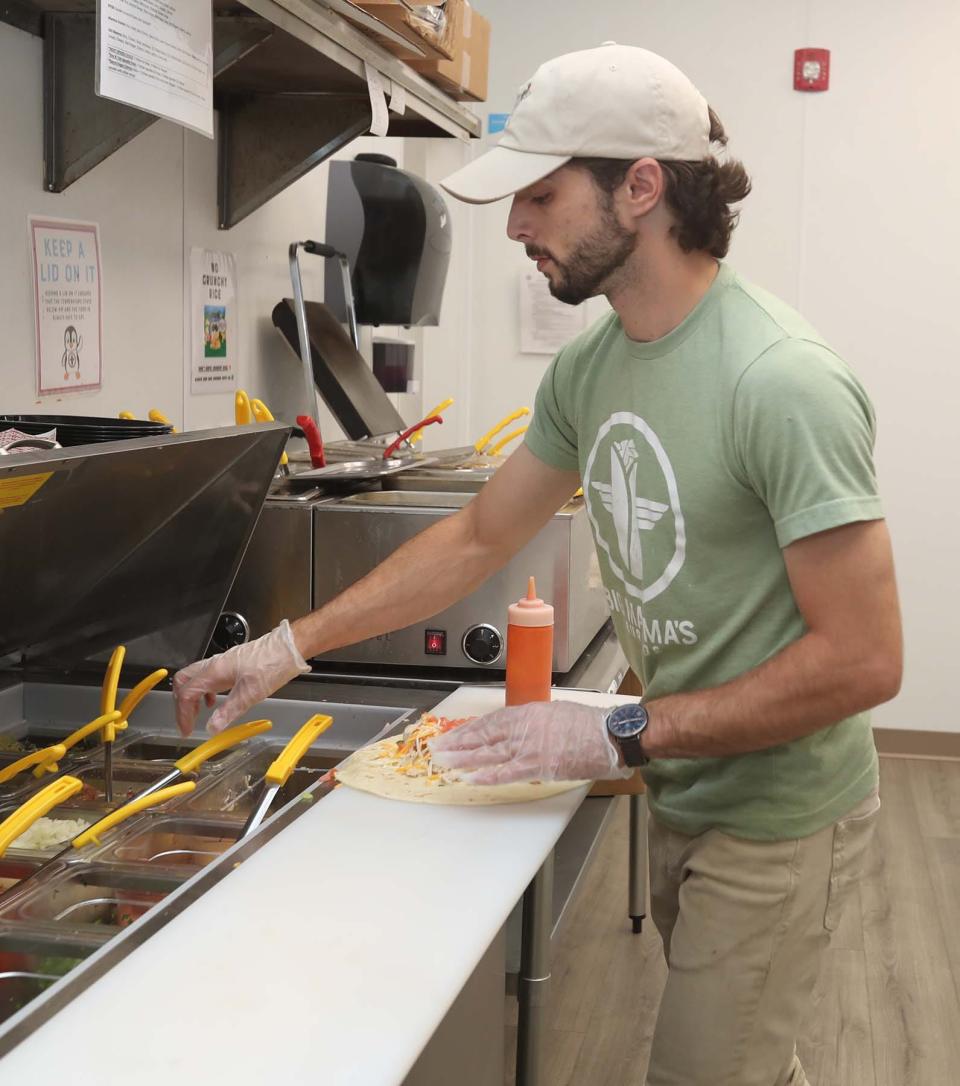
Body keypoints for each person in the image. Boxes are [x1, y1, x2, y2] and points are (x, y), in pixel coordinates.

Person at [174, 43, 902, 1086]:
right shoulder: (592, 368)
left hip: (782, 816)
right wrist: (290, 647)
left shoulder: (782, 383)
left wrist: (616, 726)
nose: (515, 226)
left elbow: (867, 662)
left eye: (541, 196)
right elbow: (478, 538)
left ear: (642, 188)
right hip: (688, 784)